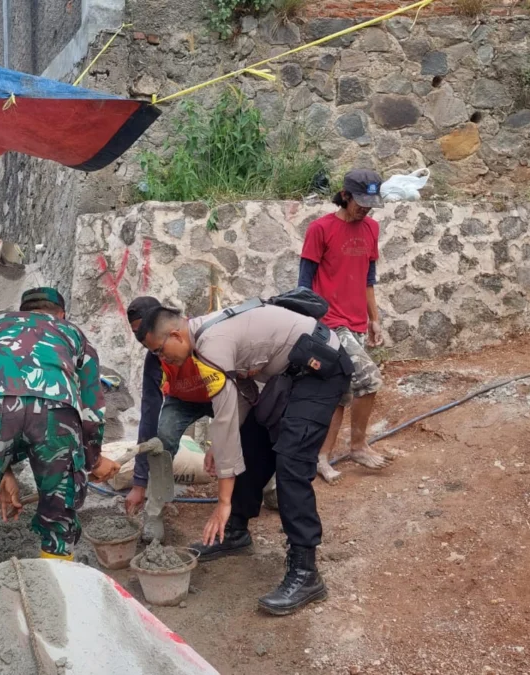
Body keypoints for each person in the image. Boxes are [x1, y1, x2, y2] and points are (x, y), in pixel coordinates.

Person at [139, 302, 352, 615]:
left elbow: (223, 419)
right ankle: (236, 531)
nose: (161, 358)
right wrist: (219, 445)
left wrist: (222, 502)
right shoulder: (201, 339)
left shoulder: (211, 346)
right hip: (291, 372)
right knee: (253, 440)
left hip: (321, 368)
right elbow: (239, 396)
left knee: (291, 461)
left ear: (175, 334)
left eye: (159, 350)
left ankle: (306, 573)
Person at [0, 287, 120, 572]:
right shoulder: (72, 333)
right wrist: (93, 460)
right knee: (59, 514)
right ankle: (56, 588)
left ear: (22, 310)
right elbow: (91, 409)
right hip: (57, 411)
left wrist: (0, 468)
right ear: (61, 314)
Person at [299, 168, 391, 484]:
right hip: (328, 323)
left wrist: (374, 321)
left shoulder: (371, 229)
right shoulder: (320, 229)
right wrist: (310, 326)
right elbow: (304, 284)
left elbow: (368, 280)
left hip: (356, 324)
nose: (366, 207)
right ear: (345, 195)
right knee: (368, 378)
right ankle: (357, 445)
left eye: (371, 201)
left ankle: (321, 458)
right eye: (360, 201)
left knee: (340, 393)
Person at [124, 296, 229, 542]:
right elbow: (149, 416)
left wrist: (217, 442)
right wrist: (139, 483)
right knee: (162, 440)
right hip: (183, 401)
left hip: (221, 393)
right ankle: (154, 515)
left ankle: (267, 488)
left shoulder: (204, 339)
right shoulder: (154, 360)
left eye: (144, 332)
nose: (143, 342)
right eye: (136, 335)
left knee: (249, 433)